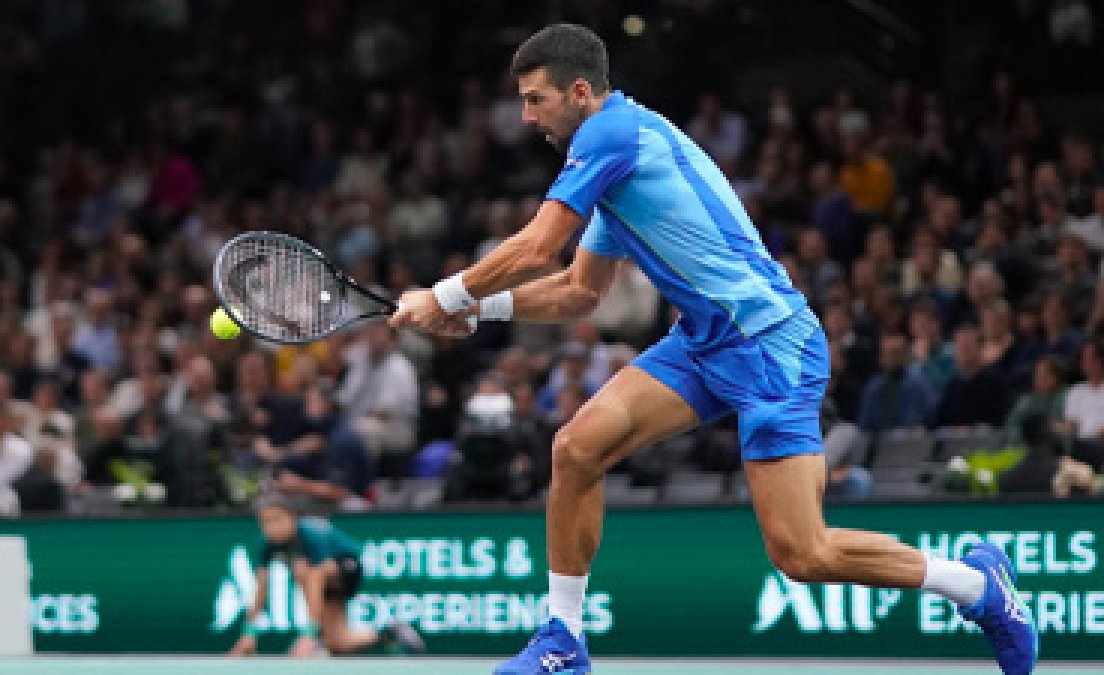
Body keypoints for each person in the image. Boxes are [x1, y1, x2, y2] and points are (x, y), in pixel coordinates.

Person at [389, 24, 1037, 675]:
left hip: (771, 346)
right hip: (703, 343)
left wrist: (444, 294)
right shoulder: (613, 167)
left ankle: (976, 587)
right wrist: (479, 308)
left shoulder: (611, 135)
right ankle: (563, 639)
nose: (528, 117)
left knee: (802, 553)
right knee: (576, 448)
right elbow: (579, 290)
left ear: (580, 91)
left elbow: (537, 247)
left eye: (537, 99)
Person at [228, 495, 423, 658]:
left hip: (346, 569)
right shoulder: (267, 544)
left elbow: (318, 576)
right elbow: (261, 588)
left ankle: (313, 636)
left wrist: (309, 635)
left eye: (277, 519)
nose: (272, 527)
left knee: (306, 571)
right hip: (324, 584)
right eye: (265, 522)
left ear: (293, 517)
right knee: (338, 643)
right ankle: (390, 633)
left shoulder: (312, 532)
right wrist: (248, 633)